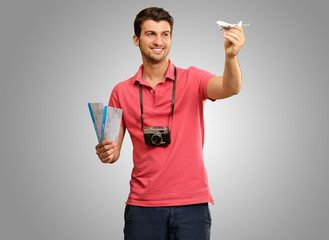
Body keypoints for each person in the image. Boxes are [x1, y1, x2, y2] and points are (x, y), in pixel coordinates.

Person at [95, 7, 245, 240]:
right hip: (142, 207)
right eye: (150, 34)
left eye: (165, 34)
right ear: (136, 39)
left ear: (171, 39)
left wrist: (231, 57)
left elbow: (230, 87)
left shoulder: (193, 78)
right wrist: (106, 153)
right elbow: (113, 153)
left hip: (192, 206)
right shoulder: (120, 91)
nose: (159, 41)